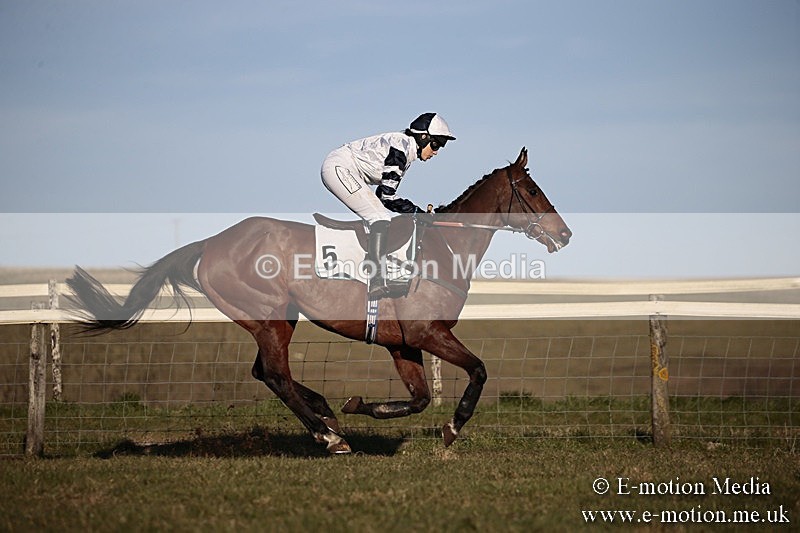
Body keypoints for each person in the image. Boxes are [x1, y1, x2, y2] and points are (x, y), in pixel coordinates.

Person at [321, 112, 456, 298]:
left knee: (377, 215)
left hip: (345, 168)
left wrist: (416, 212)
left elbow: (384, 194)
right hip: (339, 167)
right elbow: (387, 196)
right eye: (436, 144)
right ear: (423, 137)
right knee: (379, 216)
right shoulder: (401, 149)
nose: (436, 151)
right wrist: (417, 212)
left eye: (441, 146)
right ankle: (376, 279)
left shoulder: (405, 149)